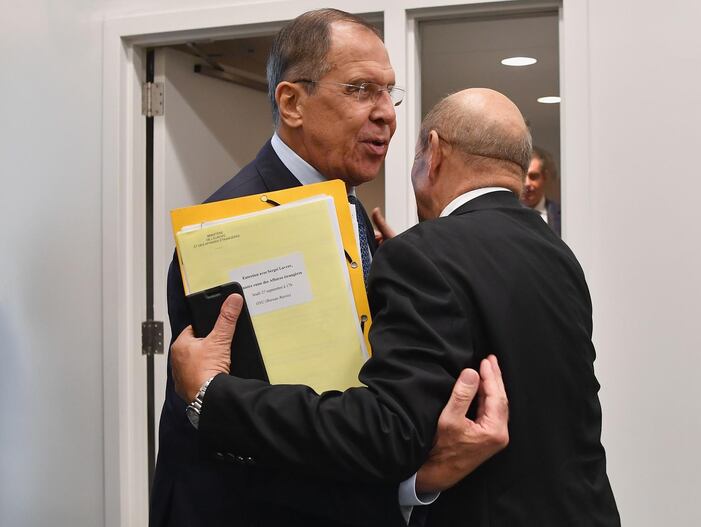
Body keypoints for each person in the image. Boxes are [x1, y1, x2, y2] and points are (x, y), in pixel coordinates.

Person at [172, 88, 621, 526]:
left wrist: (215, 396)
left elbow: (388, 432)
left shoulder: (425, 252)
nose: (383, 112)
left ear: (434, 151)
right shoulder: (557, 253)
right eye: (361, 90)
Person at [150, 9, 507, 527]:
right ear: (292, 102)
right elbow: (260, 426)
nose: (388, 114)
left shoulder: (347, 208)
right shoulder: (235, 227)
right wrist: (416, 481)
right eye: (362, 90)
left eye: (390, 93)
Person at [521, 146, 562, 236]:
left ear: (545, 177)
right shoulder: (506, 215)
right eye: (522, 176)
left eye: (533, 176)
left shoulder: (562, 215)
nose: (527, 183)